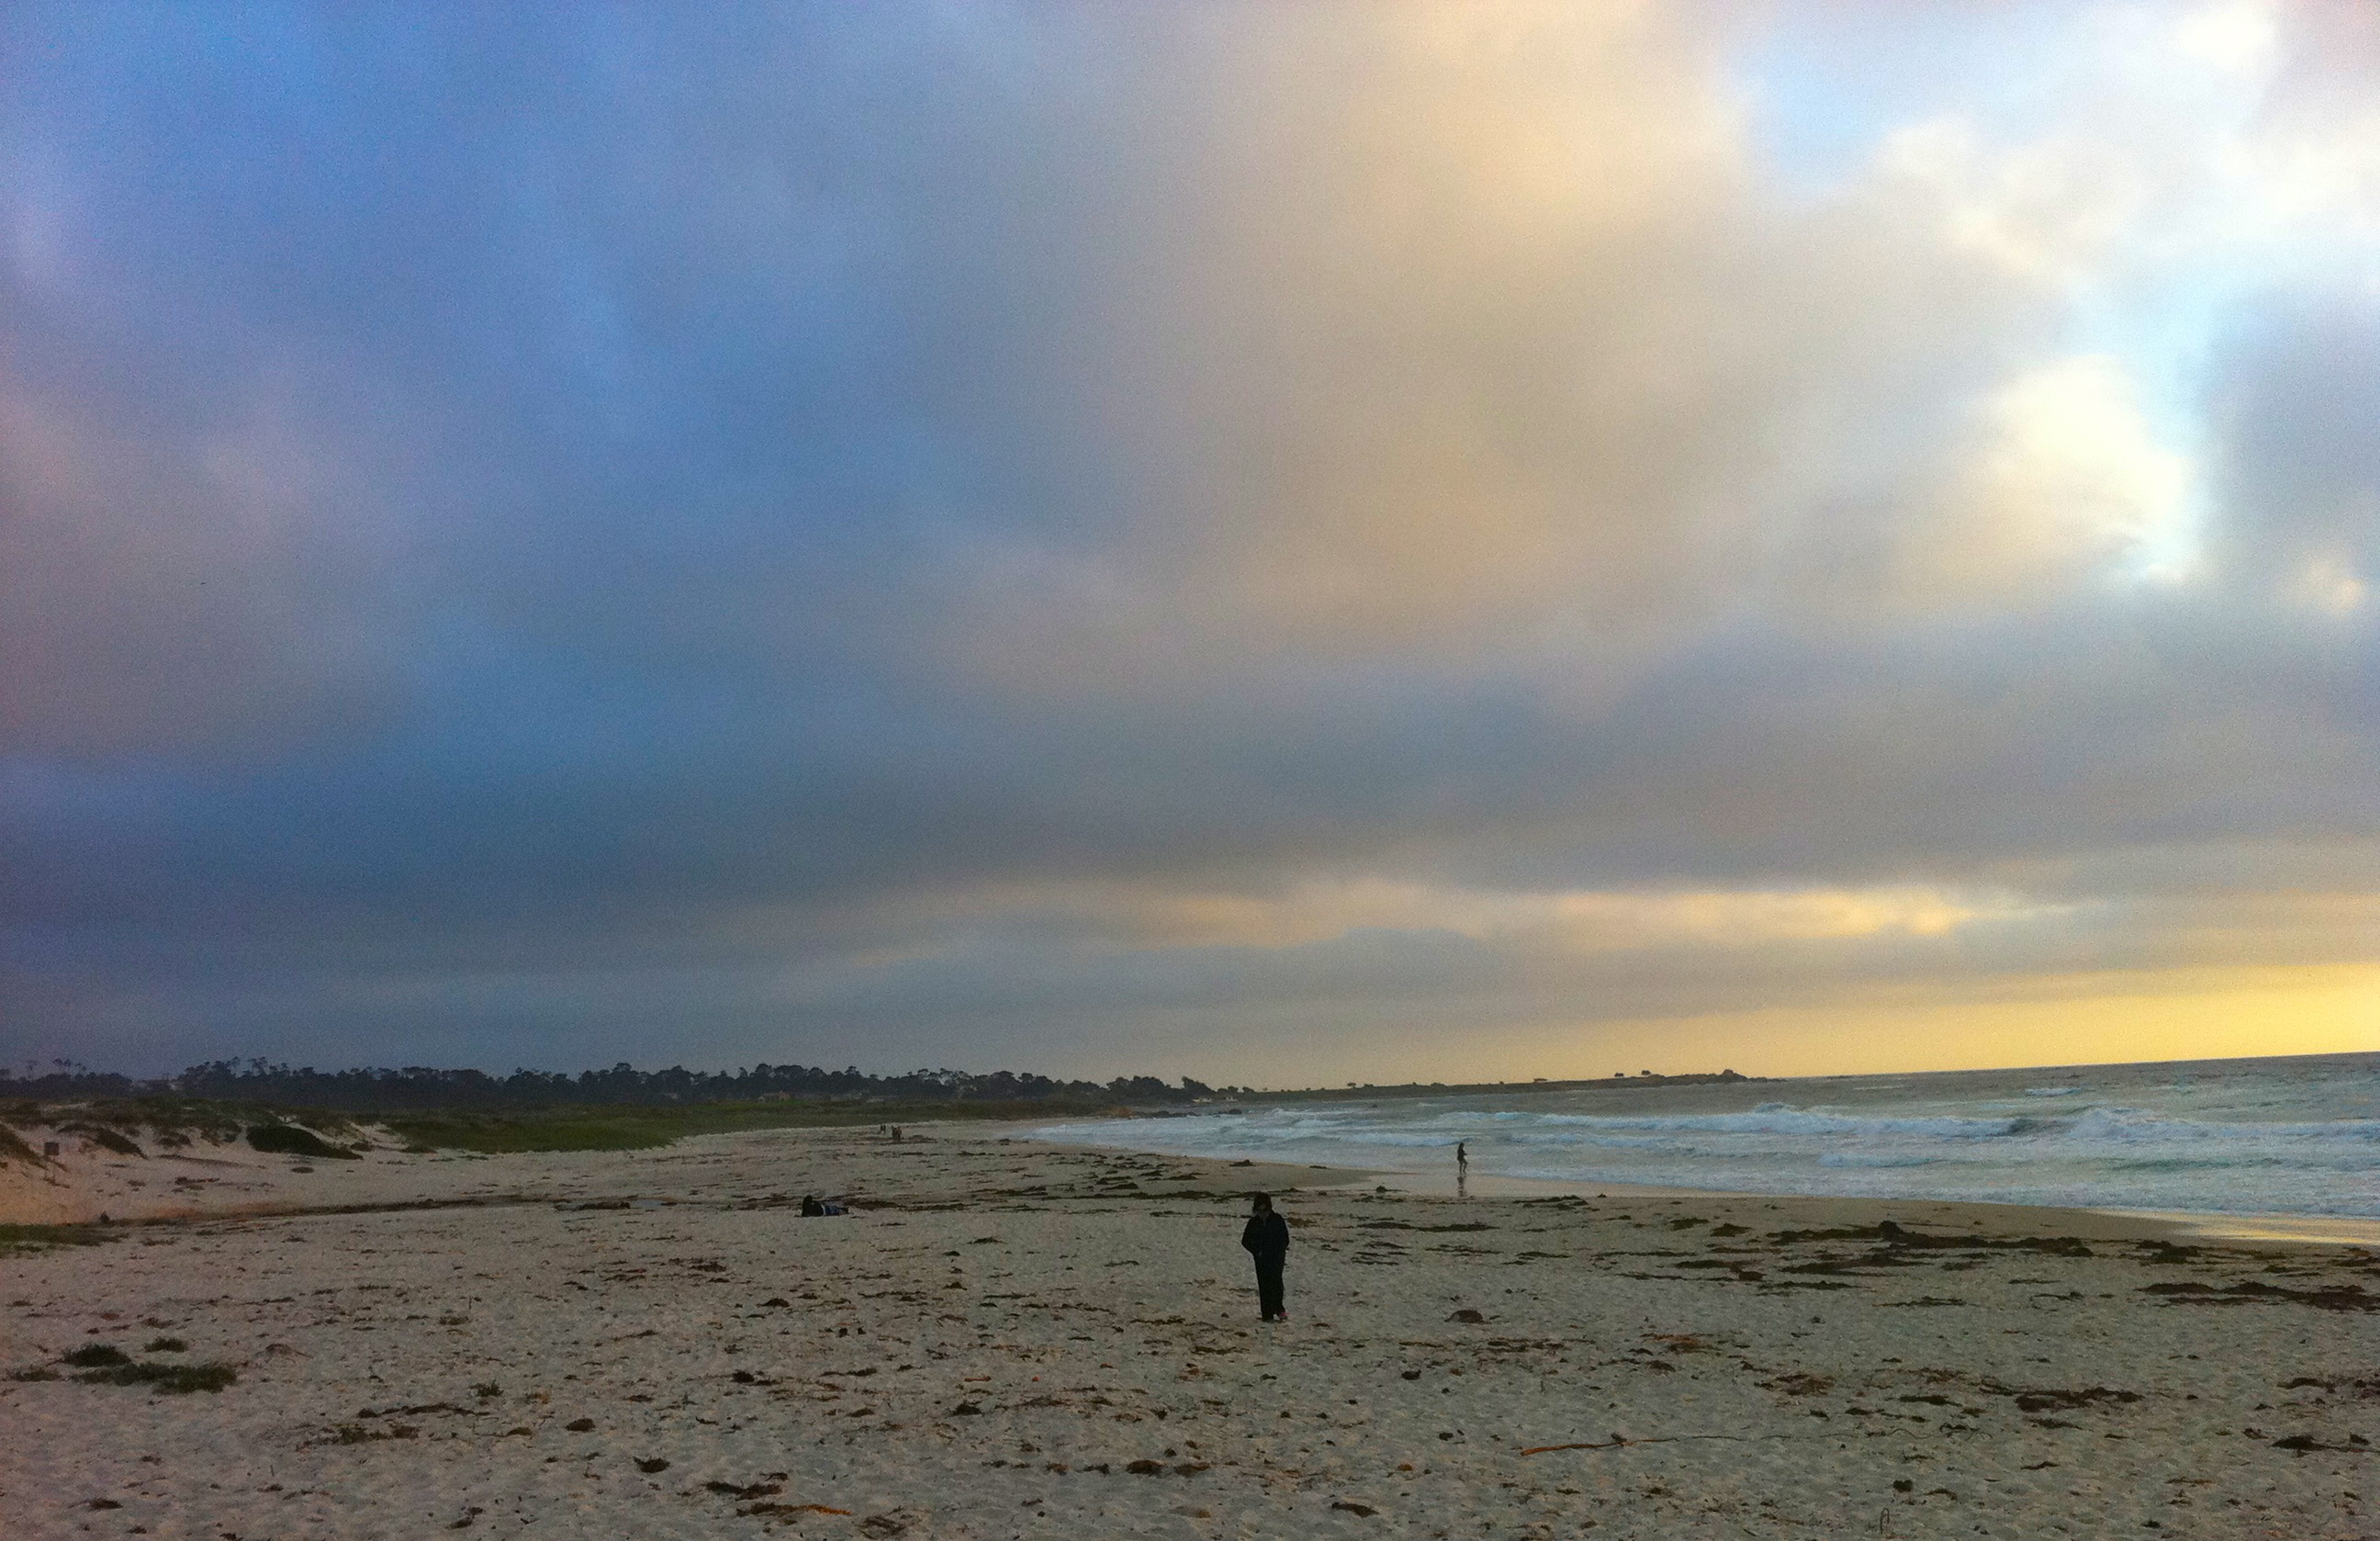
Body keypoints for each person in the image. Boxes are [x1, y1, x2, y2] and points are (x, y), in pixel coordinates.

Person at [1241, 1192, 1290, 1322]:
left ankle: (1279, 1309)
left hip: (1277, 1257)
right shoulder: (1253, 1222)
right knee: (1264, 1286)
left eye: (1265, 1210)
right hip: (1261, 1259)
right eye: (1260, 1210)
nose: (1262, 1213)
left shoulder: (1277, 1219)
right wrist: (1257, 1251)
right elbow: (1245, 1241)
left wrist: (1279, 1250)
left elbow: (1285, 1239)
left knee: (1276, 1282)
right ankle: (1267, 1315)